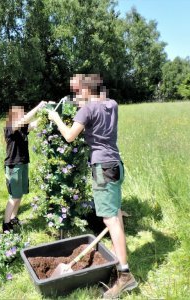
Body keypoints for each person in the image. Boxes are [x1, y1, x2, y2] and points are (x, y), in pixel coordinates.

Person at [47, 74, 137, 298]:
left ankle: (125, 275)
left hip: (101, 168)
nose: (77, 95)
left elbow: (69, 136)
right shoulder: (112, 105)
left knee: (110, 219)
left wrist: (55, 118)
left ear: (87, 91)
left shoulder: (86, 111)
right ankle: (119, 262)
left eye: (79, 92)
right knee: (114, 213)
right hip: (116, 164)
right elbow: (102, 100)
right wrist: (86, 101)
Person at [3, 101, 46, 232]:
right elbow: (26, 120)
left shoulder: (23, 129)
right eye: (21, 114)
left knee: (20, 194)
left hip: (23, 164)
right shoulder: (10, 127)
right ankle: (6, 224)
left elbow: (35, 123)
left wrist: (47, 113)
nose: (24, 115)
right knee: (14, 196)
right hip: (13, 166)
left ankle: (14, 218)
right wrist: (39, 106)